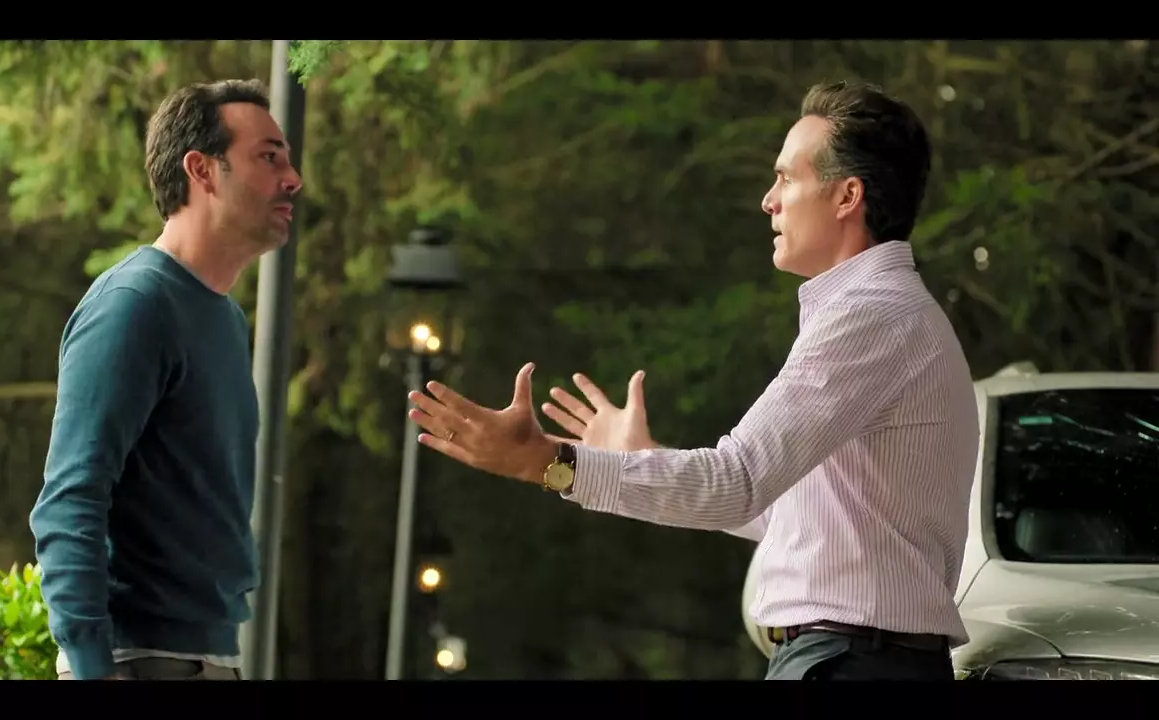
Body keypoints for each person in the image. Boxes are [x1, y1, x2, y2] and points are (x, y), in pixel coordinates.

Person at [405, 80, 978, 681]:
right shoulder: (883, 314)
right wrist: (645, 458)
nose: (768, 201)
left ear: (847, 196)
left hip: (853, 663)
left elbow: (738, 482)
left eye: (786, 179)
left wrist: (546, 463)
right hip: (860, 659)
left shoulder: (870, 316)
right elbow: (789, 515)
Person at [28, 79, 302, 680]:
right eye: (268, 157)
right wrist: (92, 669)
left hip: (210, 659)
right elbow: (70, 501)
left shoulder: (224, 318)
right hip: (138, 661)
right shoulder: (135, 305)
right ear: (202, 170)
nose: (293, 179)